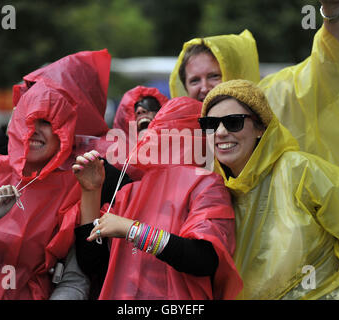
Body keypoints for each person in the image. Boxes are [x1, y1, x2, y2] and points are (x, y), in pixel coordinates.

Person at [0, 50, 113, 299]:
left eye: (46, 122)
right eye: (29, 119)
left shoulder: (76, 190)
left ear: (64, 131)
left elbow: (75, 281)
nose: (34, 131)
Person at [198, 79, 339, 299]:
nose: (221, 132)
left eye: (233, 122)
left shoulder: (299, 170)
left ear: (260, 128)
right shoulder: (213, 193)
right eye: (211, 124)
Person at [170, 0, 339, 186]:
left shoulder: (277, 94)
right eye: (194, 80)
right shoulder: (184, 133)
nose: (205, 87)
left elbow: (333, 64)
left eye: (214, 75)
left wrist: (332, 9)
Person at [72, 96, 243, 299]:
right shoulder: (130, 192)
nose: (156, 135)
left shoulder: (207, 184)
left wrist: (132, 230)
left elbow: (204, 259)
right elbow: (92, 263)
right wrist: (91, 192)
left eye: (166, 127)